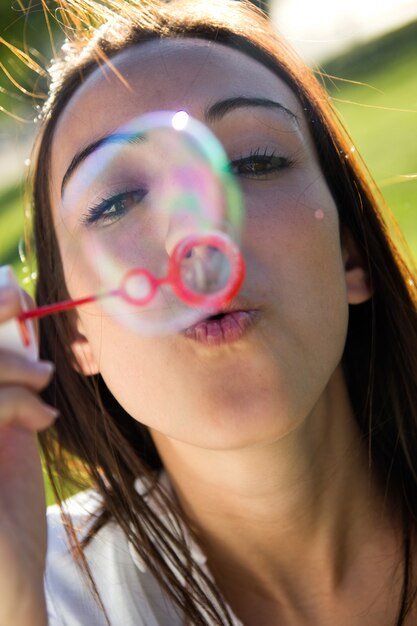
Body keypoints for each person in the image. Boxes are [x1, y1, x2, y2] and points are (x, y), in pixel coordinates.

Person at [1, 0, 417, 624]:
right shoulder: (40, 593)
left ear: (350, 251)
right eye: (116, 201)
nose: (194, 231)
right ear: (72, 331)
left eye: (254, 162)